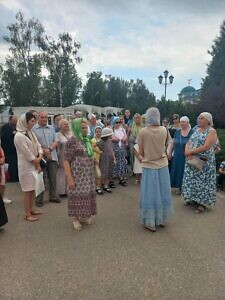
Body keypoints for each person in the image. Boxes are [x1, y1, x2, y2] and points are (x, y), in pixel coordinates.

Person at [138, 107, 173, 232]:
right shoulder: (164, 129)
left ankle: (150, 221)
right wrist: (166, 153)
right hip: (163, 165)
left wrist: (143, 156)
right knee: (162, 192)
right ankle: (161, 219)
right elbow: (170, 142)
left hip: (149, 166)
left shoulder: (143, 131)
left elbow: (140, 151)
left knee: (150, 193)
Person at [64, 118, 97, 231]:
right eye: (82, 128)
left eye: (85, 127)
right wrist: (70, 179)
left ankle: (83, 216)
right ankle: (75, 219)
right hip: (77, 175)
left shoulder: (86, 140)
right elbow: (66, 161)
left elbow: (89, 154)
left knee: (85, 195)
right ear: (76, 128)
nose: (84, 129)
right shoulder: (71, 141)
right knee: (76, 196)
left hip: (87, 175)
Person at [182, 112, 218, 213]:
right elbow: (189, 142)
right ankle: (193, 198)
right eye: (199, 118)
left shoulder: (212, 131)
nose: (199, 119)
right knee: (193, 179)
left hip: (204, 161)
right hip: (192, 159)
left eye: (202, 118)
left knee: (203, 182)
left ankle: (202, 204)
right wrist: (186, 151)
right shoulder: (196, 130)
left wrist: (191, 152)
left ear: (208, 120)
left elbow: (206, 146)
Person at [14, 113, 43, 222]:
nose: (33, 123)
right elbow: (27, 153)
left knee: (32, 189)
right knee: (27, 190)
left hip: (34, 164)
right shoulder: (19, 136)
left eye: (34, 121)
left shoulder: (30, 132)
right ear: (24, 122)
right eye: (31, 121)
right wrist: (36, 159)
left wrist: (39, 156)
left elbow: (38, 145)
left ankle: (31, 209)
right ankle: (27, 214)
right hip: (26, 167)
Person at [32, 111, 60, 207]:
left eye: (45, 117)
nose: (44, 119)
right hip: (40, 158)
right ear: (38, 118)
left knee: (53, 178)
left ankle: (53, 196)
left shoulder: (51, 128)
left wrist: (49, 149)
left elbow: (56, 141)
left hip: (52, 156)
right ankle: (39, 200)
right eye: (42, 117)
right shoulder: (33, 129)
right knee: (41, 179)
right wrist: (44, 151)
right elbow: (34, 145)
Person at [169, 116, 193, 194]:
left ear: (188, 123)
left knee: (184, 171)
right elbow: (173, 143)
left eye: (184, 122)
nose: (182, 123)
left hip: (187, 155)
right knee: (177, 170)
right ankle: (178, 187)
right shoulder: (177, 132)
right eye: (181, 122)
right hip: (177, 155)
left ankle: (185, 188)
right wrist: (169, 153)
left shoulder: (192, 132)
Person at [55, 119, 72, 198]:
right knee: (62, 173)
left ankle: (69, 190)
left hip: (71, 156)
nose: (67, 126)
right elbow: (57, 147)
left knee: (70, 172)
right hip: (62, 156)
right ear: (60, 126)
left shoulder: (71, 133)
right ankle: (62, 191)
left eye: (67, 124)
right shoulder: (58, 135)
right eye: (65, 124)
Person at [0, 115, 19, 182]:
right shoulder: (4, 128)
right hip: (7, 151)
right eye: (14, 121)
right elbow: (3, 138)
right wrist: (12, 134)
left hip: (15, 150)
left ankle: (16, 177)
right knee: (10, 165)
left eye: (16, 121)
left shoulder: (17, 127)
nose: (15, 122)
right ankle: (10, 178)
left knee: (16, 165)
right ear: (10, 120)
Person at [112, 117, 128, 186]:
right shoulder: (112, 129)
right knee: (115, 163)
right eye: (116, 122)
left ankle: (121, 178)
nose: (118, 124)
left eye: (119, 122)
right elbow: (112, 137)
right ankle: (113, 177)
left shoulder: (122, 129)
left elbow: (125, 136)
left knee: (122, 162)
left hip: (122, 148)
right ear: (114, 123)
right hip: (115, 148)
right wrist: (117, 139)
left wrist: (124, 139)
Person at [99, 127, 116, 193]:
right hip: (104, 159)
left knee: (109, 172)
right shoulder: (101, 142)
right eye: (110, 134)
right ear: (107, 135)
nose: (111, 135)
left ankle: (106, 185)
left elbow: (112, 150)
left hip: (110, 158)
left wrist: (114, 158)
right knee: (103, 172)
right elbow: (97, 149)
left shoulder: (110, 141)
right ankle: (100, 186)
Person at [91, 127, 103, 195]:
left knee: (101, 173)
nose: (98, 133)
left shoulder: (102, 139)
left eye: (99, 131)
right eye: (97, 132)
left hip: (103, 158)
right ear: (95, 132)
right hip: (96, 158)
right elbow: (93, 148)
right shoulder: (93, 140)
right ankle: (97, 187)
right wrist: (99, 152)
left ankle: (99, 186)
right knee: (98, 173)